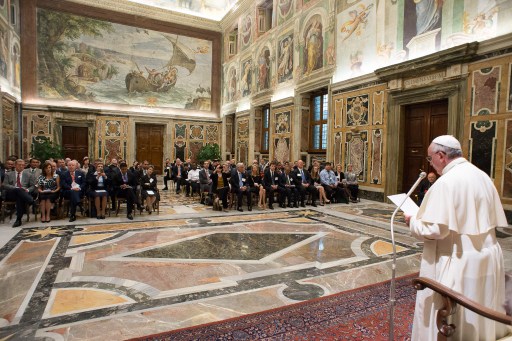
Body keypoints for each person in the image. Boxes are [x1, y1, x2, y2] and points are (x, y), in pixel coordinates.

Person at [404, 135, 509, 341]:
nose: (430, 163)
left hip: (459, 259)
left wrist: (413, 220)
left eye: (430, 158)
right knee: (483, 304)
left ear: (441, 156)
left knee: (457, 316)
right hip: (487, 255)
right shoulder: (482, 176)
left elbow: (434, 230)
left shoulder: (446, 183)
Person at [1, 159, 35, 227]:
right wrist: (16, 188)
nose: (21, 166)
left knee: (19, 197)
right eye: (19, 165)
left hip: (23, 193)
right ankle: (31, 201)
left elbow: (32, 186)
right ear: (15, 165)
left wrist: (27, 190)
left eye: (23, 165)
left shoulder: (29, 175)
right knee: (19, 190)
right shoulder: (8, 174)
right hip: (11, 193)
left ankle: (18, 220)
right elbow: (5, 185)